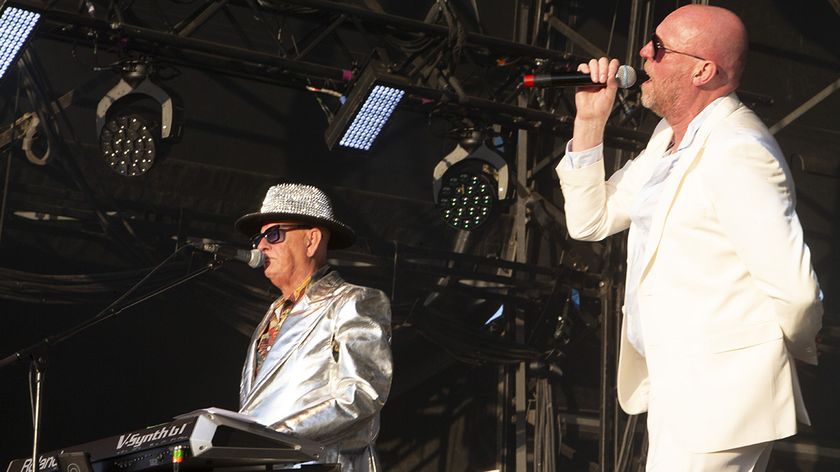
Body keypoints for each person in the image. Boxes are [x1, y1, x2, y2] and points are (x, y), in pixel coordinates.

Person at [555, 5, 822, 470]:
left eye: (657, 47)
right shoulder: (668, 139)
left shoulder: (737, 150)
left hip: (722, 397)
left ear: (703, 70)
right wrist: (589, 122)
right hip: (679, 392)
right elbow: (591, 221)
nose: (641, 54)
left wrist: (758, 362)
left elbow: (797, 294)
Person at [235, 183, 393, 472]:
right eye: (259, 238)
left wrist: (273, 435)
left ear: (311, 240)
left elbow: (360, 396)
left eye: (274, 234)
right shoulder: (271, 315)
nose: (261, 246)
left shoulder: (354, 301)